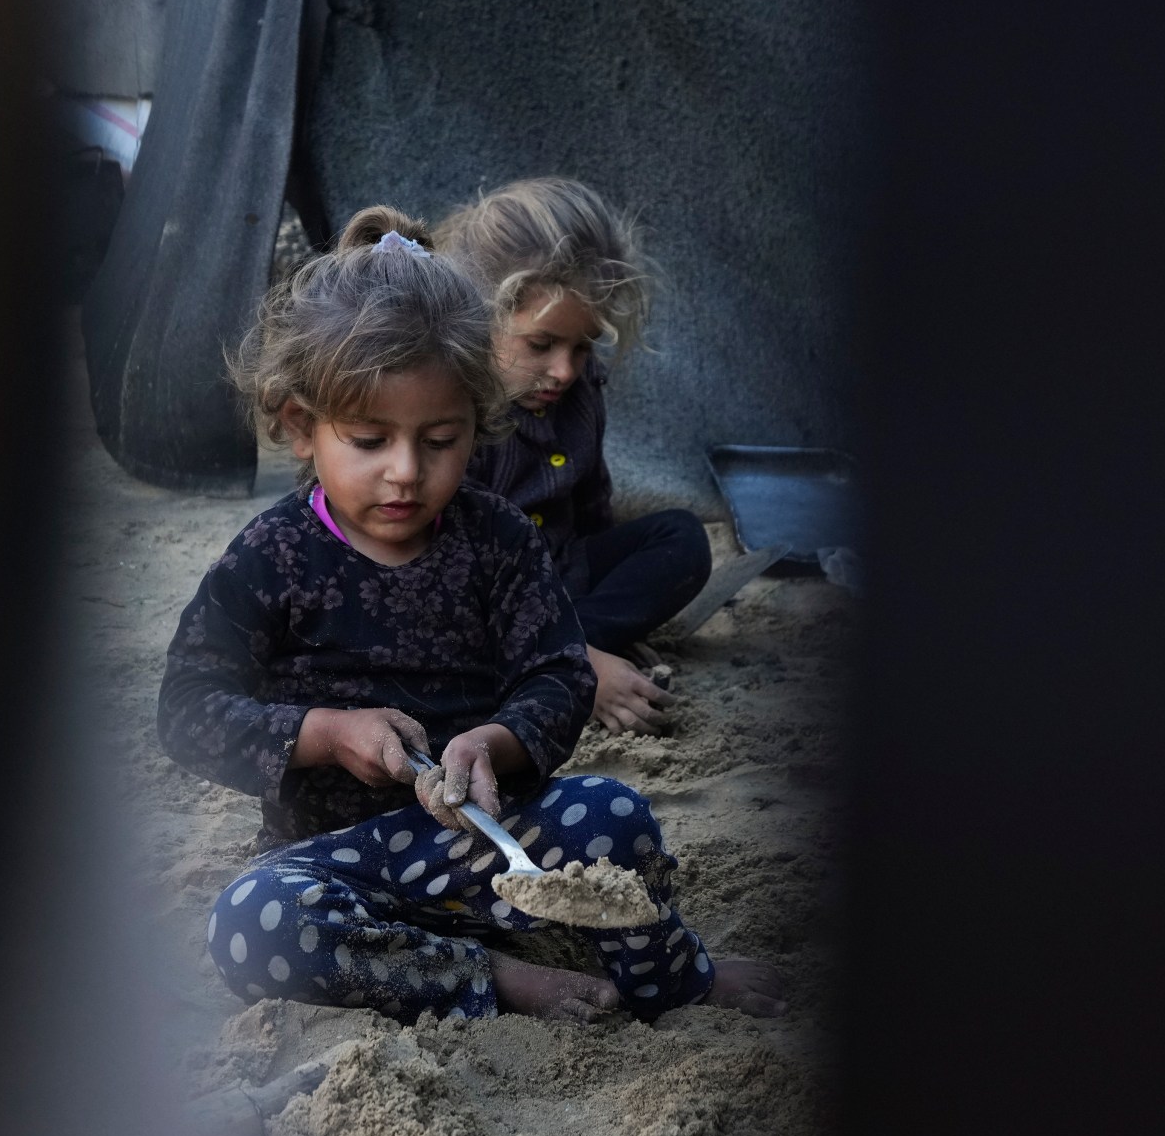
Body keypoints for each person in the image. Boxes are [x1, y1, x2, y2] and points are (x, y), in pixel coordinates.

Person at [157, 206, 779, 1023]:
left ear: (478, 428)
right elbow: (188, 709)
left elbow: (557, 675)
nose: (406, 473)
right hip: (338, 865)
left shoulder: (497, 539)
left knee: (615, 813)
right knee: (248, 924)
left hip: (497, 847)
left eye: (440, 440)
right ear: (303, 428)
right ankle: (492, 977)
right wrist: (325, 733)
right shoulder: (270, 557)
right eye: (371, 440)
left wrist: (493, 741)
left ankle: (676, 977)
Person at [439, 177, 713, 736]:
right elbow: (446, 575)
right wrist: (579, 659)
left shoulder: (580, 389)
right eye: (540, 345)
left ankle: (572, 643)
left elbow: (593, 504)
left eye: (582, 345)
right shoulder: (452, 418)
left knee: (682, 539)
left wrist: (583, 620)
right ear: (478, 320)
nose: (565, 370)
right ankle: (564, 663)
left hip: (567, 577)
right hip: (483, 603)